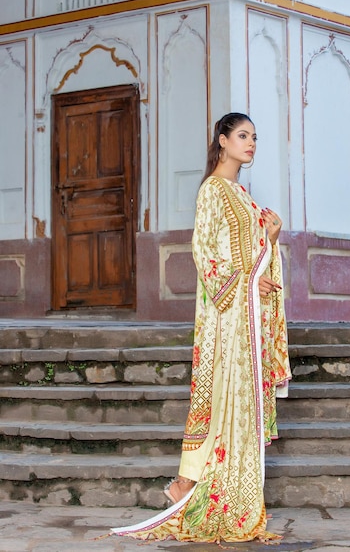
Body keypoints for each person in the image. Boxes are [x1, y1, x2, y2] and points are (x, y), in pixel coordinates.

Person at [110, 112, 291, 543]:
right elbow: (205, 255)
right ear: (223, 140)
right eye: (243, 136)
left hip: (247, 321)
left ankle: (197, 487)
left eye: (255, 137)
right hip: (227, 321)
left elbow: (253, 257)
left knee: (236, 404)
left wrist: (274, 237)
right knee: (220, 400)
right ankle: (191, 485)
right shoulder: (212, 191)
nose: (251, 144)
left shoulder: (244, 196)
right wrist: (247, 280)